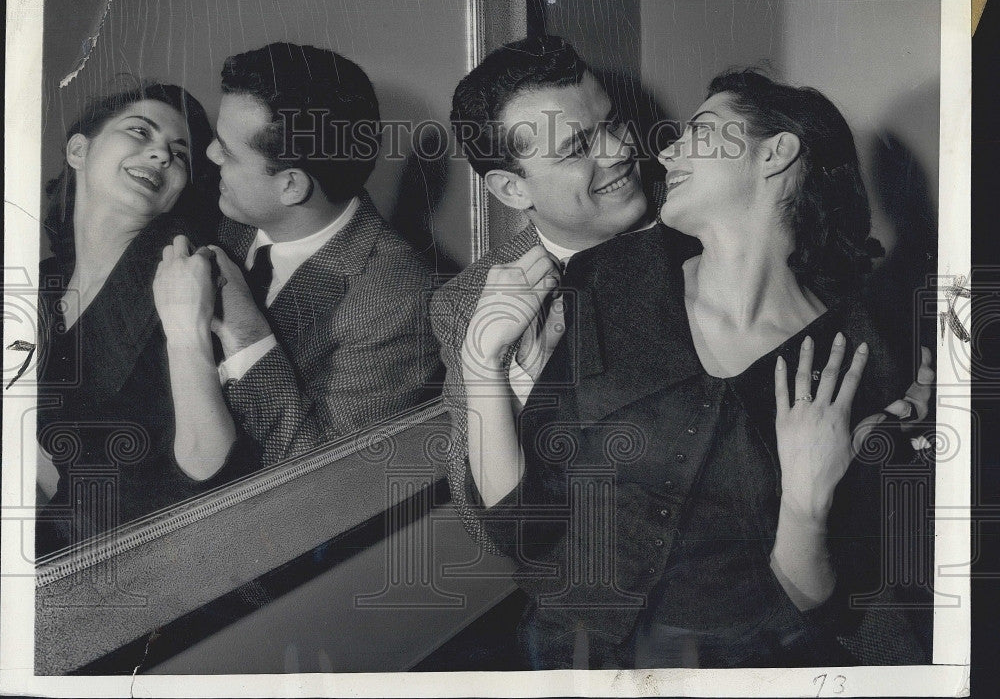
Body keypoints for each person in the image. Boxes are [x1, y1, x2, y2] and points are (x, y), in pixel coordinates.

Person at [462, 69, 934, 668]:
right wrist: (482, 368)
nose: (664, 149)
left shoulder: (867, 357)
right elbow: (521, 527)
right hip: (565, 664)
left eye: (701, 131)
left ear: (776, 152)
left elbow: (823, 616)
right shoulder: (607, 281)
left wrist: (806, 502)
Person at [158, 43, 442, 468]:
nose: (210, 156)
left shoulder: (399, 300)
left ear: (292, 186)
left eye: (228, 152)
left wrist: (246, 333)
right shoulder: (220, 212)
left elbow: (318, 490)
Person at [431, 35, 662, 549]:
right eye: (578, 148)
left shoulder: (709, 231)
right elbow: (484, 524)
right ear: (512, 190)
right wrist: (515, 388)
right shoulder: (465, 303)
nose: (623, 150)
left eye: (613, 123)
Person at [35, 81, 233, 557]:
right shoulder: (44, 283)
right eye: (139, 131)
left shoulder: (188, 274)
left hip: (139, 563)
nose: (162, 155)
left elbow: (209, 465)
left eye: (179, 154)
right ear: (79, 150)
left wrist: (186, 333)